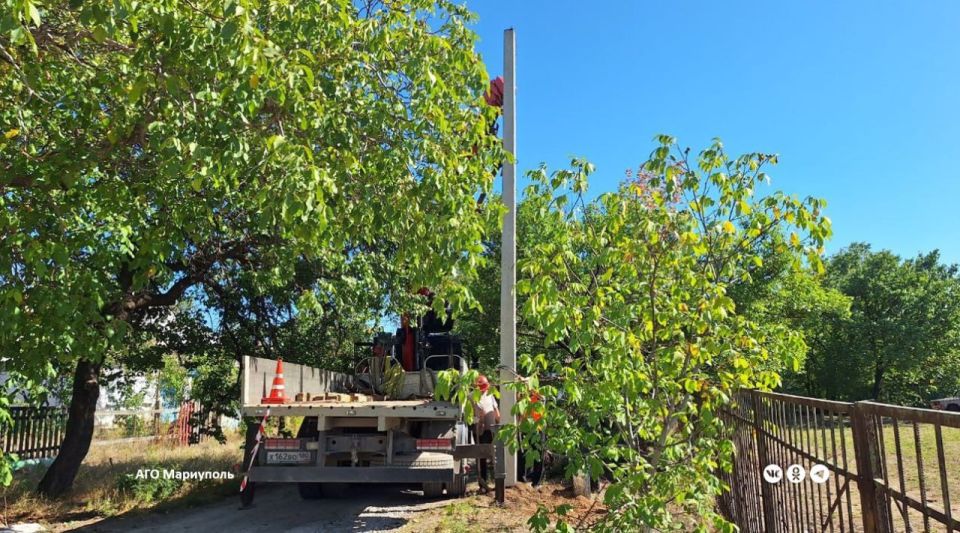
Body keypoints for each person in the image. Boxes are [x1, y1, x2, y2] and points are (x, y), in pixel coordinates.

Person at [473, 374, 499, 492]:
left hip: (492, 430)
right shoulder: (472, 397)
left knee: (495, 455)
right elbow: (470, 416)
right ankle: (482, 484)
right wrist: (478, 422)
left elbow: (496, 411)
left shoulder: (490, 395)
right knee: (481, 457)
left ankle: (497, 481)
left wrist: (499, 423)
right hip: (480, 432)